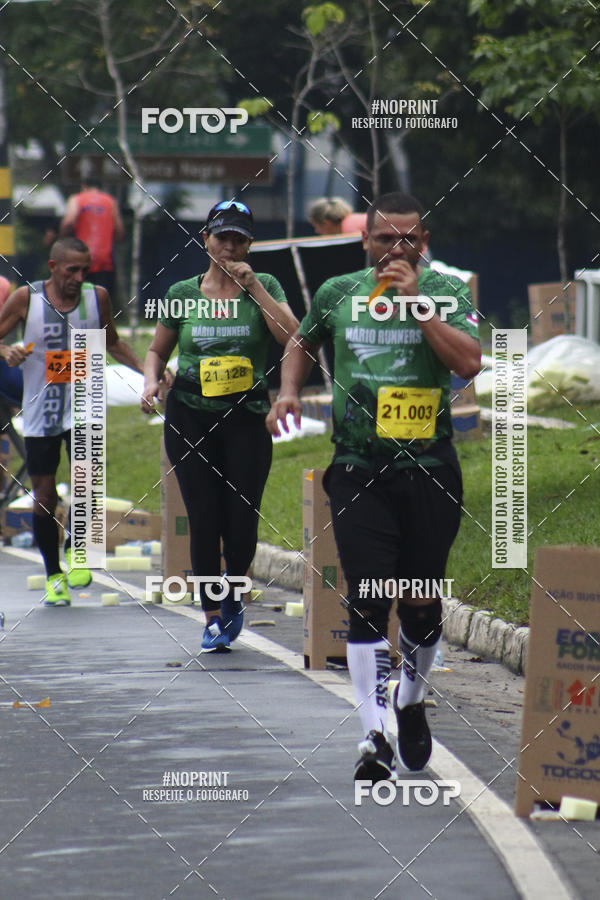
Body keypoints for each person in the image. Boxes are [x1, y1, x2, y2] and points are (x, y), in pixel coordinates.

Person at [267, 192, 480, 781]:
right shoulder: (339, 294)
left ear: (425, 243)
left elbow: (469, 364)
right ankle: (373, 736)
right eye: (386, 239)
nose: (396, 249)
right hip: (359, 467)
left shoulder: (447, 292)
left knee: (419, 600)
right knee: (366, 594)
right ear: (367, 241)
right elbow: (302, 341)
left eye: (408, 239)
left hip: (430, 469)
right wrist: (288, 389)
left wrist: (418, 306)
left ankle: (410, 701)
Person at [141, 200, 298, 651]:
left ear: (250, 244)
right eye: (221, 237)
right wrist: (152, 380)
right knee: (204, 517)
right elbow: (157, 350)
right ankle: (212, 616)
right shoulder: (182, 293)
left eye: (239, 239)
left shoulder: (264, 283)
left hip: (245, 416)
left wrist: (256, 291)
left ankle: (233, 590)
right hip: (189, 413)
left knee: (241, 516)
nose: (229, 247)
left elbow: (291, 338)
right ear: (205, 239)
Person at [0, 236, 144, 605]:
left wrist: (149, 373)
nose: (79, 277)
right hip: (40, 409)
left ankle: (78, 551)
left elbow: (112, 342)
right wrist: (7, 349)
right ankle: (52, 575)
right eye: (71, 270)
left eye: (85, 270)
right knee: (44, 495)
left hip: (85, 402)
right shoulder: (25, 299)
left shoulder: (98, 298)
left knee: (86, 485)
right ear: (53, 268)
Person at [59, 178, 125, 295]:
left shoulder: (77, 199)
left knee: (77, 298)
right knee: (101, 300)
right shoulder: (110, 201)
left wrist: (62, 238)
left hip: (80, 259)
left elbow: (69, 222)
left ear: (84, 187)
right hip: (105, 260)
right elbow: (119, 232)